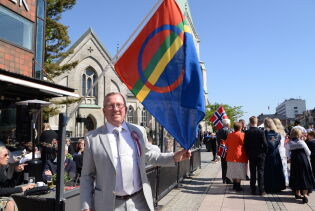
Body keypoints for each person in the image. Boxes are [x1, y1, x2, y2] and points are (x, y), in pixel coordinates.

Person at [80, 92, 191, 211]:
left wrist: (174, 156)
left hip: (139, 202)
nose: (116, 109)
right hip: (107, 205)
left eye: (119, 105)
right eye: (110, 105)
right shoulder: (93, 138)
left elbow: (150, 155)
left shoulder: (138, 131)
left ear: (126, 109)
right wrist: (86, 206)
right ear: (103, 111)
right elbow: (87, 176)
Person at [0, 146, 35, 211]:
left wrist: (17, 172)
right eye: (5, 155)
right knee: (9, 204)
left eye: (8, 154)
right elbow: (1, 191)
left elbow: (9, 187)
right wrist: (22, 188)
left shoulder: (1, 168)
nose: (8, 157)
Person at [287, 128, 315, 203]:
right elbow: (308, 152)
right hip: (303, 160)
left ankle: (297, 193)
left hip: (294, 161)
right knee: (304, 176)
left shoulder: (289, 143)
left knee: (296, 176)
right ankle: (305, 195)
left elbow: (287, 154)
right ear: (299, 134)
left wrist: (289, 158)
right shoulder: (302, 142)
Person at [244, 116, 267, 195]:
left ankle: (253, 189)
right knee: (261, 172)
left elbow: (245, 145)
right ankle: (261, 190)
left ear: (250, 122)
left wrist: (247, 153)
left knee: (252, 172)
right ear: (256, 122)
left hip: (251, 155)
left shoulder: (247, 132)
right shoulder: (261, 132)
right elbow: (265, 144)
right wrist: (264, 152)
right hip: (260, 154)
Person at [263, 118, 285, 193]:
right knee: (277, 170)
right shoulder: (278, 134)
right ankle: (278, 186)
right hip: (276, 154)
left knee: (268, 171)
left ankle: (269, 187)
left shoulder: (264, 133)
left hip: (268, 154)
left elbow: (263, 144)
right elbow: (278, 144)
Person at [226, 122, 248, 191]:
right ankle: (238, 186)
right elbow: (245, 145)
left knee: (233, 170)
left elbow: (227, 144)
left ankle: (234, 185)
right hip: (239, 155)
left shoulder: (229, 135)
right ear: (240, 128)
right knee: (239, 171)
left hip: (230, 155)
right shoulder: (242, 135)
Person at [273, 118, 289, 186]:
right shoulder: (283, 132)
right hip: (283, 151)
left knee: (276, 168)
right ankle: (286, 181)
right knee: (284, 167)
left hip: (277, 150)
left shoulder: (274, 132)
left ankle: (278, 182)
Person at [216, 119, 232, 184]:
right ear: (228, 124)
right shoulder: (228, 131)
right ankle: (228, 179)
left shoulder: (219, 130)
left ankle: (224, 178)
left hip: (221, 149)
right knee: (228, 164)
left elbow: (217, 140)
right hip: (227, 149)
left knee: (223, 164)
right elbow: (229, 140)